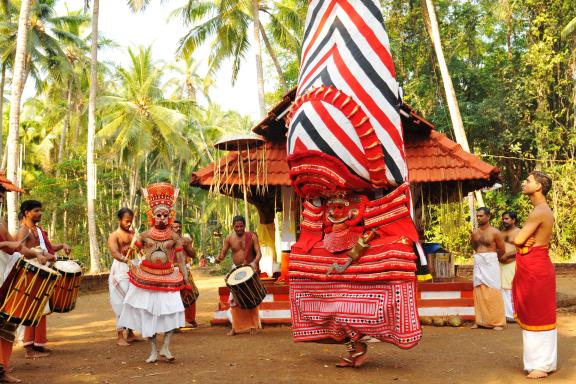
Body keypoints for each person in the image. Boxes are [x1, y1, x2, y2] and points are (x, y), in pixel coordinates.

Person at [118, 182, 189, 363]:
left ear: (170, 216)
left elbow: (180, 260)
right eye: (158, 215)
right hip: (147, 277)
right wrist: (130, 262)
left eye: (165, 215)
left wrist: (186, 279)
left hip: (168, 277)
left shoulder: (174, 238)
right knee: (147, 315)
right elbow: (132, 252)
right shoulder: (143, 235)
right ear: (152, 216)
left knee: (174, 311)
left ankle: (165, 346)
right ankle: (153, 351)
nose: (162, 218)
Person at [513, 171, 556, 379]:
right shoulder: (539, 210)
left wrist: (521, 239)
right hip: (531, 265)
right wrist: (522, 239)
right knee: (531, 313)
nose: (524, 183)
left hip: (536, 267)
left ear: (538, 186)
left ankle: (543, 364)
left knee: (540, 314)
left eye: (528, 181)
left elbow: (519, 239)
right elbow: (521, 240)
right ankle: (535, 362)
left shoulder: (540, 211)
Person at [0, 194, 47, 383]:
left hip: (7, 273)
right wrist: (5, 244)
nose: (1, 200)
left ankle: (2, 370)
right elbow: (9, 244)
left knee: (6, 324)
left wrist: (34, 254)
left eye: (1, 197)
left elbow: (16, 246)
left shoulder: (0, 219)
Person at [16, 200, 70, 358]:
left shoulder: (38, 230)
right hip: (29, 273)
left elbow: (47, 249)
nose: (40, 213)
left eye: (40, 210)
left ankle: (38, 344)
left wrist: (62, 245)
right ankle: (29, 348)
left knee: (42, 309)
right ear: (27, 213)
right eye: (36, 211)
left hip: (41, 271)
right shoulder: (23, 231)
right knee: (31, 309)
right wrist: (37, 254)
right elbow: (21, 249)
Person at [216, 215, 262, 336]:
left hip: (249, 270)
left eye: (241, 226)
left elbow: (258, 253)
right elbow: (223, 252)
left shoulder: (251, 236)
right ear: (233, 226)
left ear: (244, 226)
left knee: (252, 299)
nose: (239, 229)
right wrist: (219, 258)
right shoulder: (229, 238)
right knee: (234, 300)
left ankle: (253, 326)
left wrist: (254, 263)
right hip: (236, 271)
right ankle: (235, 327)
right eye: (237, 226)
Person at [107, 207, 140, 346]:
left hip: (133, 266)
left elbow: (139, 248)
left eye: (131, 221)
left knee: (132, 300)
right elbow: (114, 252)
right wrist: (126, 260)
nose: (129, 224)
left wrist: (137, 246)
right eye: (126, 221)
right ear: (119, 220)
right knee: (121, 301)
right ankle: (120, 335)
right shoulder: (114, 235)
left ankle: (130, 333)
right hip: (120, 270)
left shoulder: (133, 234)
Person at [470, 207, 506, 330]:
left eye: (481, 216)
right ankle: (480, 321)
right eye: (477, 216)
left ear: (488, 216)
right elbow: (474, 246)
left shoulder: (495, 232)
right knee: (479, 290)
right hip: (479, 261)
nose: (479, 218)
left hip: (491, 262)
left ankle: (497, 322)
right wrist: (481, 256)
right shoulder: (474, 232)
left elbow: (502, 250)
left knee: (493, 291)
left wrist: (492, 258)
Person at [172, 220, 198, 328]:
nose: (178, 229)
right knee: (174, 298)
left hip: (185, 271)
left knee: (191, 294)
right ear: (170, 229)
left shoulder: (185, 240)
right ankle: (175, 324)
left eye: (179, 227)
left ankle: (191, 319)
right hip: (171, 272)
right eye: (175, 227)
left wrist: (187, 247)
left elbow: (193, 255)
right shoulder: (166, 241)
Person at [500, 211, 520, 322]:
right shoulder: (501, 233)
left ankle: (511, 314)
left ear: (513, 220)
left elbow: (521, 249)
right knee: (502, 288)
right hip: (501, 263)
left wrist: (508, 255)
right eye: (503, 219)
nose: (504, 221)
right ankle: (506, 313)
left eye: (507, 219)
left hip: (513, 262)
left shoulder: (519, 232)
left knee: (509, 288)